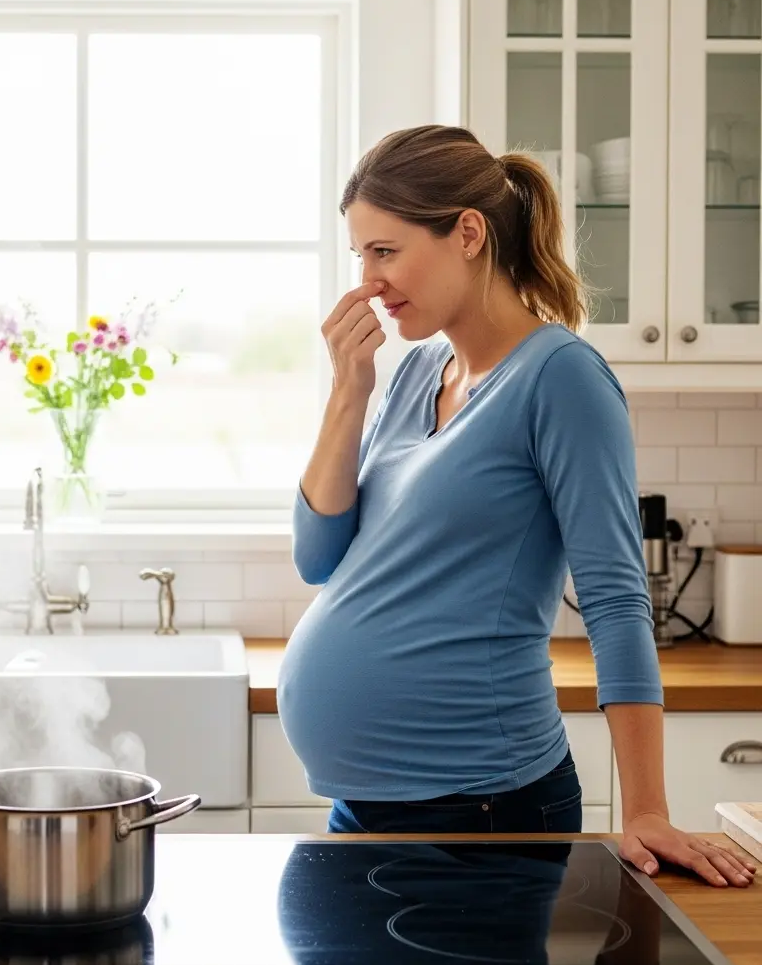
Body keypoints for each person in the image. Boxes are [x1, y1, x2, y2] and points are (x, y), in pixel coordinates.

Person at [277, 124, 756, 889]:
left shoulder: (561, 379)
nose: (368, 282)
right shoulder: (413, 375)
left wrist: (647, 809)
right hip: (364, 806)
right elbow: (318, 557)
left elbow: (615, 598)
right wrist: (348, 392)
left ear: (468, 233)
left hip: (480, 810)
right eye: (359, 256)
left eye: (386, 251)